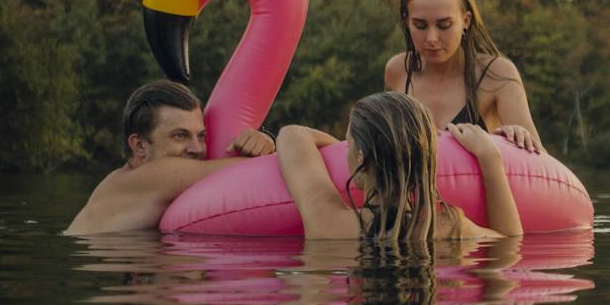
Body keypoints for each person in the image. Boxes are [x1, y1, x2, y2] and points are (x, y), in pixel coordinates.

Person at [277, 92, 522, 246]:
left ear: (361, 157)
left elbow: (292, 134)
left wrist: (355, 153)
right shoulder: (453, 228)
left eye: (347, 143)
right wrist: (490, 158)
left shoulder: (328, 223)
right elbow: (511, 242)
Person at [64, 80, 275, 235]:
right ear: (139, 146)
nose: (196, 148)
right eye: (180, 136)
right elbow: (261, 171)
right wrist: (267, 143)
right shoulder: (151, 176)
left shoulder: (134, 182)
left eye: (201, 136)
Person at [384, 0, 543, 153]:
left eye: (444, 25)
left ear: (466, 21)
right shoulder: (398, 71)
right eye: (420, 25)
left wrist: (517, 136)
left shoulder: (496, 73)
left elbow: (542, 164)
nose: (432, 38)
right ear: (406, 21)